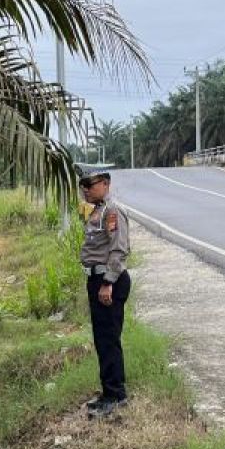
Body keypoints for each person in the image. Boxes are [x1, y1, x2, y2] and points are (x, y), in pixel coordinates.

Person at [78, 167, 132, 417]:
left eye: (91, 184)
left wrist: (108, 282)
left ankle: (116, 394)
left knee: (109, 339)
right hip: (97, 279)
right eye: (83, 185)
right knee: (102, 339)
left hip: (108, 281)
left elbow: (118, 250)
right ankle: (109, 391)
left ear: (106, 183)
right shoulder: (97, 211)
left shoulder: (112, 212)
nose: (86, 189)